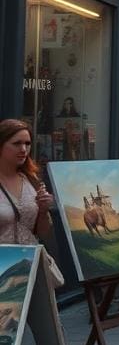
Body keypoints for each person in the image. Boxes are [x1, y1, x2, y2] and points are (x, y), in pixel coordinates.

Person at [0, 120, 61, 287]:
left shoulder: (31, 180)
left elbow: (42, 232)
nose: (23, 149)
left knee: (37, 312)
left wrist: (43, 211)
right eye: (16, 143)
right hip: (3, 270)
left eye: (27, 143)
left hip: (30, 265)